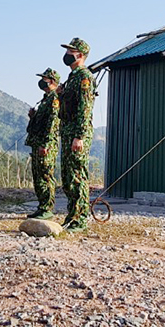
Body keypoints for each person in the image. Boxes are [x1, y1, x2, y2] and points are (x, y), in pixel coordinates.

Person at [58, 38, 95, 233]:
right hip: (68, 131)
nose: (67, 54)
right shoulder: (72, 77)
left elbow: (85, 108)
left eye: (71, 51)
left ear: (80, 55)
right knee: (68, 176)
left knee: (77, 176)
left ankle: (80, 220)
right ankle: (72, 216)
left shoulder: (84, 77)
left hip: (77, 133)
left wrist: (79, 136)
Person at [25, 68, 60, 220]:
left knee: (45, 176)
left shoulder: (54, 99)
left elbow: (53, 123)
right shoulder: (45, 99)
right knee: (38, 176)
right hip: (37, 142)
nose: (41, 82)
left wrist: (45, 144)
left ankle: (47, 208)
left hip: (45, 145)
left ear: (51, 81)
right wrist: (33, 117)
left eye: (44, 79)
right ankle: (42, 206)